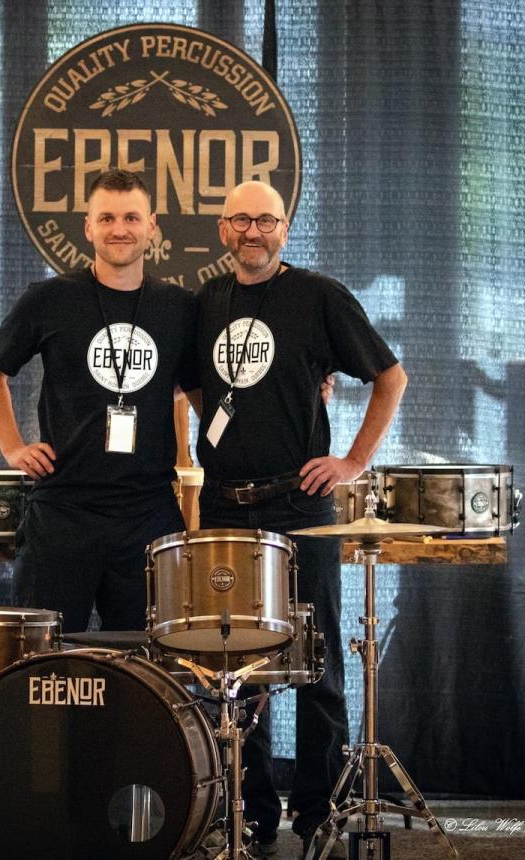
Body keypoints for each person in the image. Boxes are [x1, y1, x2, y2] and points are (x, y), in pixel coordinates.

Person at [194, 181, 408, 858]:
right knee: (235, 665)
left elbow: (390, 377)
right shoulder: (205, 303)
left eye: (265, 219)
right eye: (240, 220)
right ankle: (253, 812)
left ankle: (318, 810)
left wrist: (352, 461)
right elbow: (194, 386)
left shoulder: (318, 296)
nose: (252, 231)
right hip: (225, 502)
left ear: (284, 227)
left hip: (302, 505)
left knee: (316, 663)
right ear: (222, 230)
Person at [0, 168, 197, 634]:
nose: (120, 229)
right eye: (108, 218)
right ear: (88, 227)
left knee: (152, 668)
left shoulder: (178, 307)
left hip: (148, 512)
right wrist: (13, 448)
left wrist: (315, 384)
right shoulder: (50, 300)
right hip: (63, 510)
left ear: (152, 225)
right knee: (41, 662)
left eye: (132, 217)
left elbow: (200, 382)